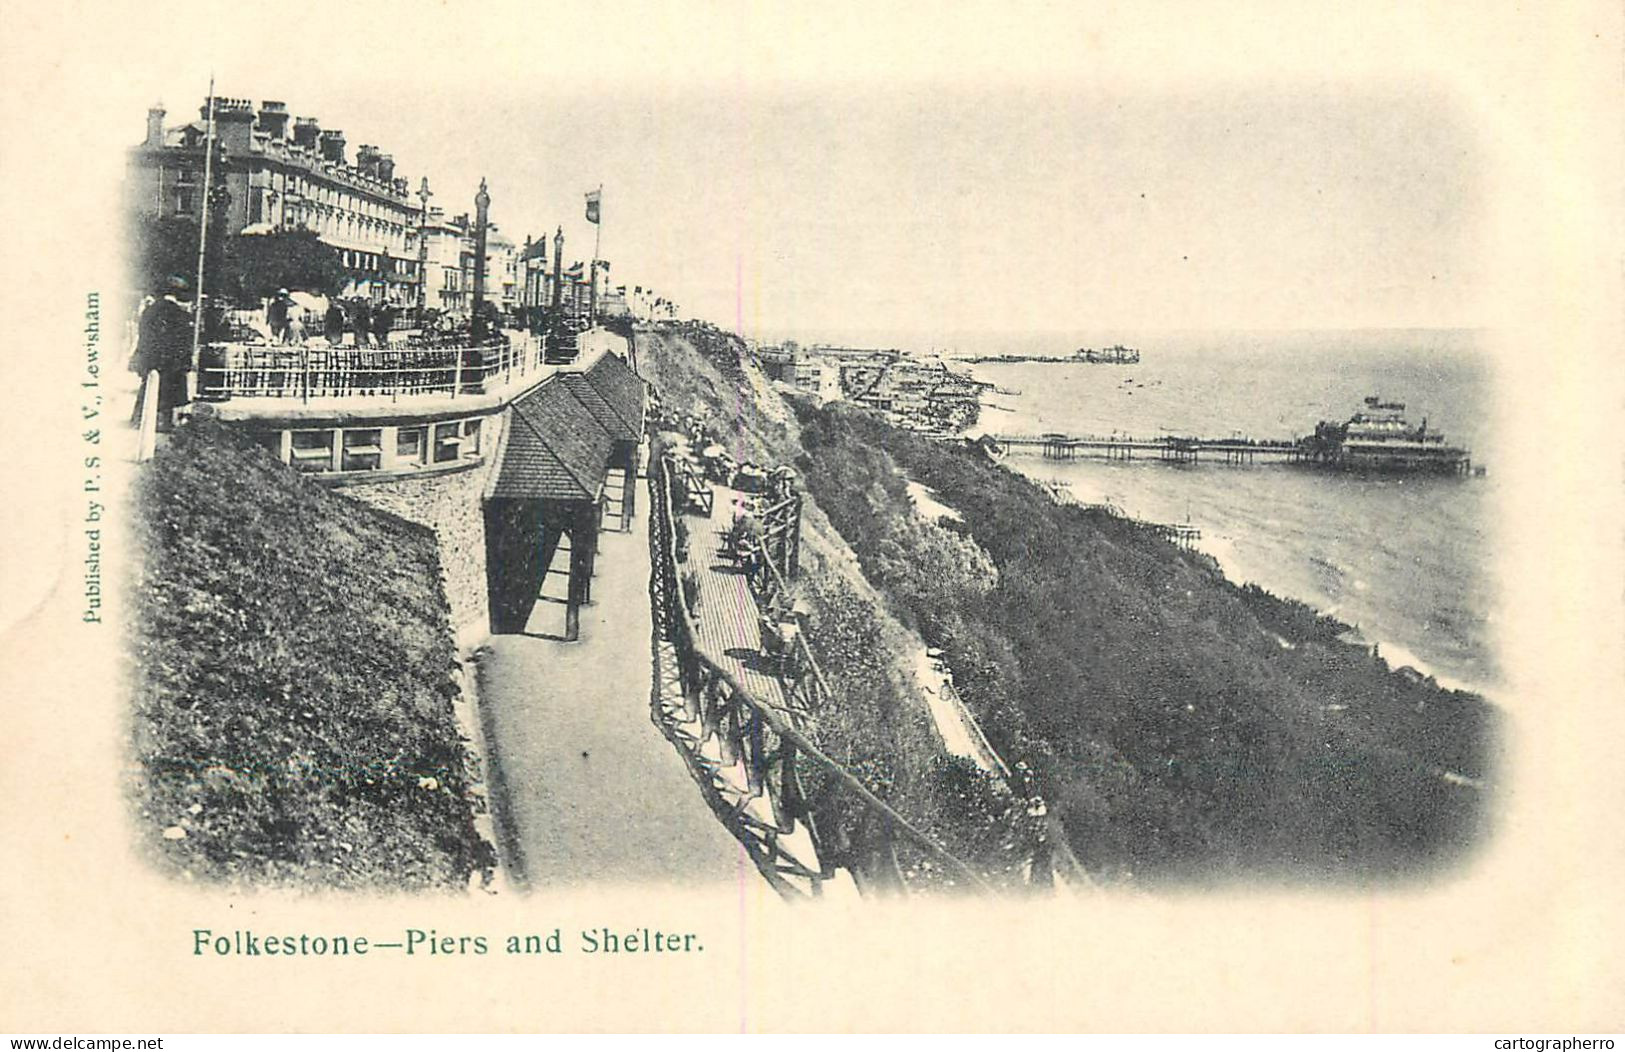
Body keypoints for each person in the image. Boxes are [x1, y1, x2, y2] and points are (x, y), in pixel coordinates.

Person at [128, 276, 194, 431]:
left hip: (151, 359)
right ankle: (164, 424)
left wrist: (142, 357)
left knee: (148, 388)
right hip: (172, 362)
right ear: (178, 294)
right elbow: (183, 342)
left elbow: (143, 336)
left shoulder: (149, 311)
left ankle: (139, 420)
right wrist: (186, 362)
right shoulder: (180, 314)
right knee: (169, 393)